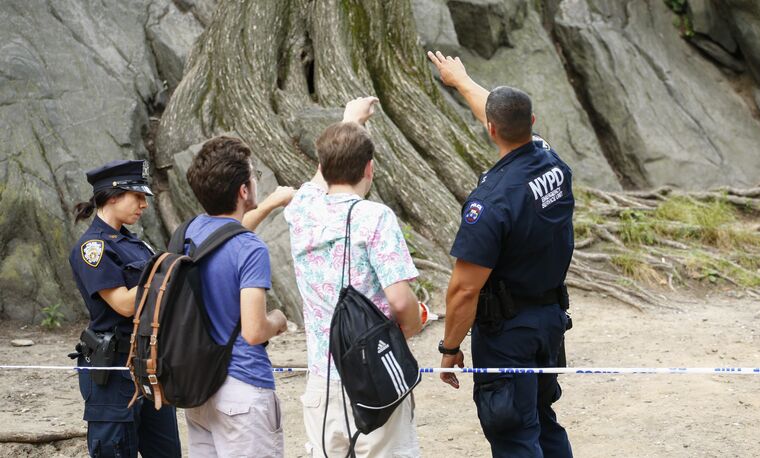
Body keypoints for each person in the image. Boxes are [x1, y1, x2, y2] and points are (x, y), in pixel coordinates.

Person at [428, 50, 575, 457]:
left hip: (509, 335)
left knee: (514, 436)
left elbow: (463, 290)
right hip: (548, 322)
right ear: (532, 122)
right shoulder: (552, 162)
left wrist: (450, 348)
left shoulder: (490, 204)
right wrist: (461, 81)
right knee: (543, 421)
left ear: (491, 130)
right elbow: (500, 113)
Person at [283, 97, 423, 457]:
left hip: (322, 380)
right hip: (373, 375)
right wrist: (408, 327)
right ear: (370, 169)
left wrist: (349, 122)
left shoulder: (301, 209)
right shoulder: (375, 218)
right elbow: (400, 301)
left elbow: (318, 179)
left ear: (322, 165)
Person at [182, 135, 294, 458]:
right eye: (253, 175)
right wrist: (278, 320)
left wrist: (270, 203)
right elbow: (254, 330)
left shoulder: (192, 233)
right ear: (243, 191)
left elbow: (232, 230)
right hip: (243, 391)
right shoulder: (251, 250)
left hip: (200, 391)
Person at [69, 159, 181, 458]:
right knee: (116, 450)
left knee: (167, 450)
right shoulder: (93, 248)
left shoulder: (136, 244)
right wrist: (165, 274)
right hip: (114, 368)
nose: (143, 205)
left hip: (149, 362)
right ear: (113, 195)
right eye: (138, 197)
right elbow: (122, 304)